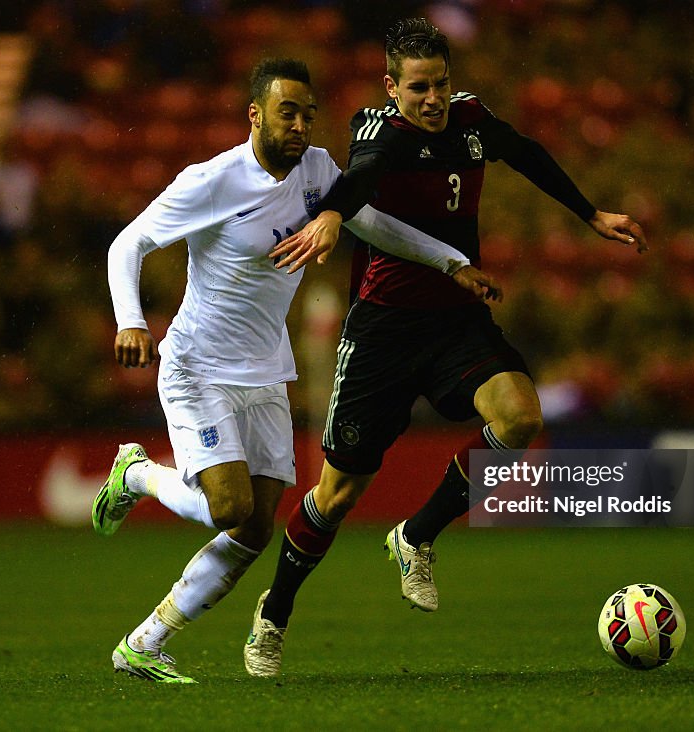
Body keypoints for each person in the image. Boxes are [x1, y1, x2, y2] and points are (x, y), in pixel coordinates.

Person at [243, 19, 648, 677]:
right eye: (418, 87)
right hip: (383, 330)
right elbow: (366, 174)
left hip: (457, 321)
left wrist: (591, 214)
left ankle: (417, 535)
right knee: (338, 493)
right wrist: (333, 214)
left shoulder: (470, 120)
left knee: (520, 417)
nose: (432, 99)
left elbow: (525, 151)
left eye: (441, 84)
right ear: (391, 86)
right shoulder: (376, 129)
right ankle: (274, 615)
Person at [94, 57, 501, 683]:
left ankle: (145, 644)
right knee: (228, 507)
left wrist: (451, 261)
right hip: (198, 366)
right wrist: (131, 321)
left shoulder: (316, 173)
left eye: (310, 113)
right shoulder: (212, 180)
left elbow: (373, 225)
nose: (302, 124)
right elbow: (130, 243)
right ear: (254, 115)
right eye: (288, 111)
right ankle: (139, 473)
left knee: (256, 531)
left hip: (265, 373)